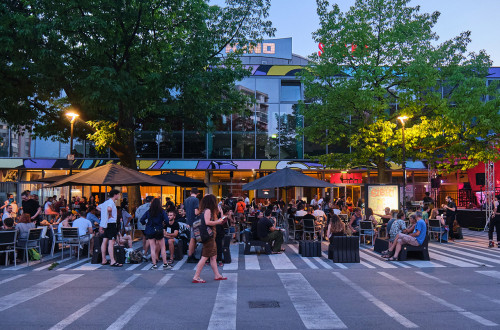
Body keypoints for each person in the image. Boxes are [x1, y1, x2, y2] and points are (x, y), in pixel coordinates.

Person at [192, 194, 227, 283]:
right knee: (205, 257)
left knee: (213, 256)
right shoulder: (207, 211)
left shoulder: (208, 211)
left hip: (211, 236)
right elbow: (208, 222)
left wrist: (221, 212)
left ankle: (217, 275)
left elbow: (220, 220)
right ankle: (196, 276)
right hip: (209, 237)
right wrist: (218, 221)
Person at [140, 198, 169, 269]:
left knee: (152, 248)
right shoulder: (161, 211)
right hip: (159, 230)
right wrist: (163, 224)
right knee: (162, 247)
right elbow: (167, 220)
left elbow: (141, 220)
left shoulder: (149, 211)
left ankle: (154, 264)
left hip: (150, 230)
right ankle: (165, 263)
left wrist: (146, 223)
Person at [96, 189, 122, 267]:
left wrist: (104, 213)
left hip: (105, 224)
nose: (119, 196)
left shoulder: (106, 202)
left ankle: (104, 260)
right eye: (118, 194)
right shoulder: (111, 202)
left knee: (104, 241)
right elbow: (109, 209)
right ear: (115, 195)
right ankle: (112, 261)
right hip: (111, 224)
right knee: (111, 242)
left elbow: (98, 207)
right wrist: (109, 214)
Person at [184, 188, 200, 263]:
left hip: (188, 221)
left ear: (190, 192)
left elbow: (185, 210)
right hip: (194, 221)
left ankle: (191, 255)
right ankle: (190, 256)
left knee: (193, 238)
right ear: (197, 193)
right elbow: (196, 212)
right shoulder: (196, 200)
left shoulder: (186, 200)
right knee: (193, 238)